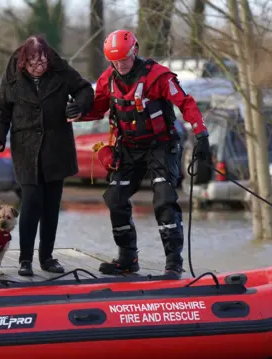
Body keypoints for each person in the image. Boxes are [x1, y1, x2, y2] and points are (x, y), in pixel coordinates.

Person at [74, 30, 212, 279]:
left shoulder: (157, 76)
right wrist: (78, 111)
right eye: (114, 62)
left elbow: (186, 103)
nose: (120, 65)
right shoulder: (109, 80)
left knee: (163, 200)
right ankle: (127, 259)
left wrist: (201, 134)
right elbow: (98, 109)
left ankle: (173, 262)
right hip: (128, 147)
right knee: (115, 198)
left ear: (134, 51)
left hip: (160, 145)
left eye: (124, 60)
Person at [0, 35, 95, 277]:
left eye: (43, 62)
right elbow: (1, 109)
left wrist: (78, 106)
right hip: (26, 148)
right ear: (23, 62)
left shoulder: (61, 70)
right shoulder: (13, 76)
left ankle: (46, 257)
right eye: (34, 63)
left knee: (51, 207)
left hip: (56, 148)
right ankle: (25, 259)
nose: (39, 67)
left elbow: (85, 90)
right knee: (31, 204)